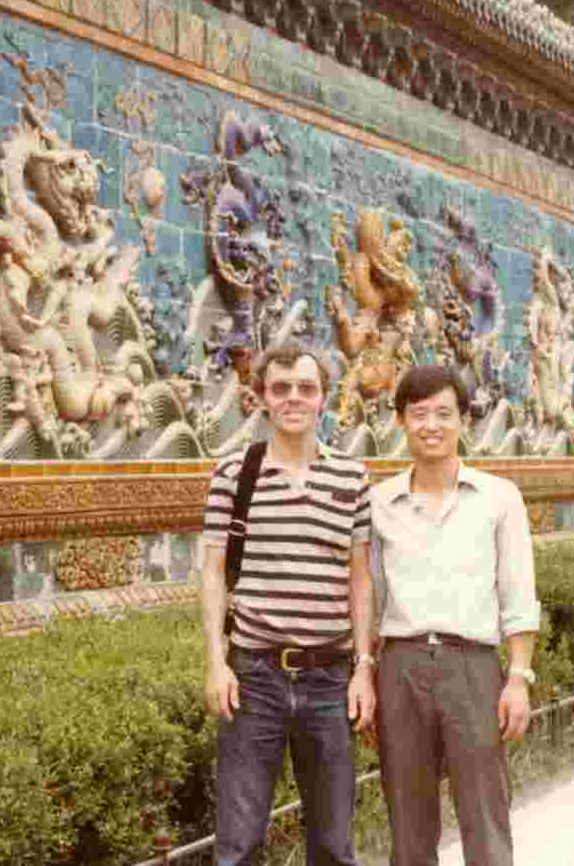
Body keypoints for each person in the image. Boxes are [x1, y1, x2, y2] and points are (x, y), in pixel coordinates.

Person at [200, 344, 377, 866]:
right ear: (260, 398)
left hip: (329, 678)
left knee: (332, 845)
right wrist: (216, 663)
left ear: (323, 398)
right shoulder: (234, 474)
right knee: (239, 843)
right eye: (281, 388)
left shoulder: (351, 477)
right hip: (254, 676)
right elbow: (212, 574)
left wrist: (364, 667)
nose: (293, 398)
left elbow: (360, 579)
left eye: (306, 388)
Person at [368, 366, 540, 866]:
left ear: (464, 420)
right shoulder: (379, 503)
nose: (431, 426)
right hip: (401, 667)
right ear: (400, 421)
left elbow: (518, 592)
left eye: (444, 413)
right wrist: (367, 671)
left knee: (485, 814)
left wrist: (518, 679)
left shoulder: (498, 498)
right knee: (408, 819)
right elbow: (370, 599)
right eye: (418, 414)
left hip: (474, 667)